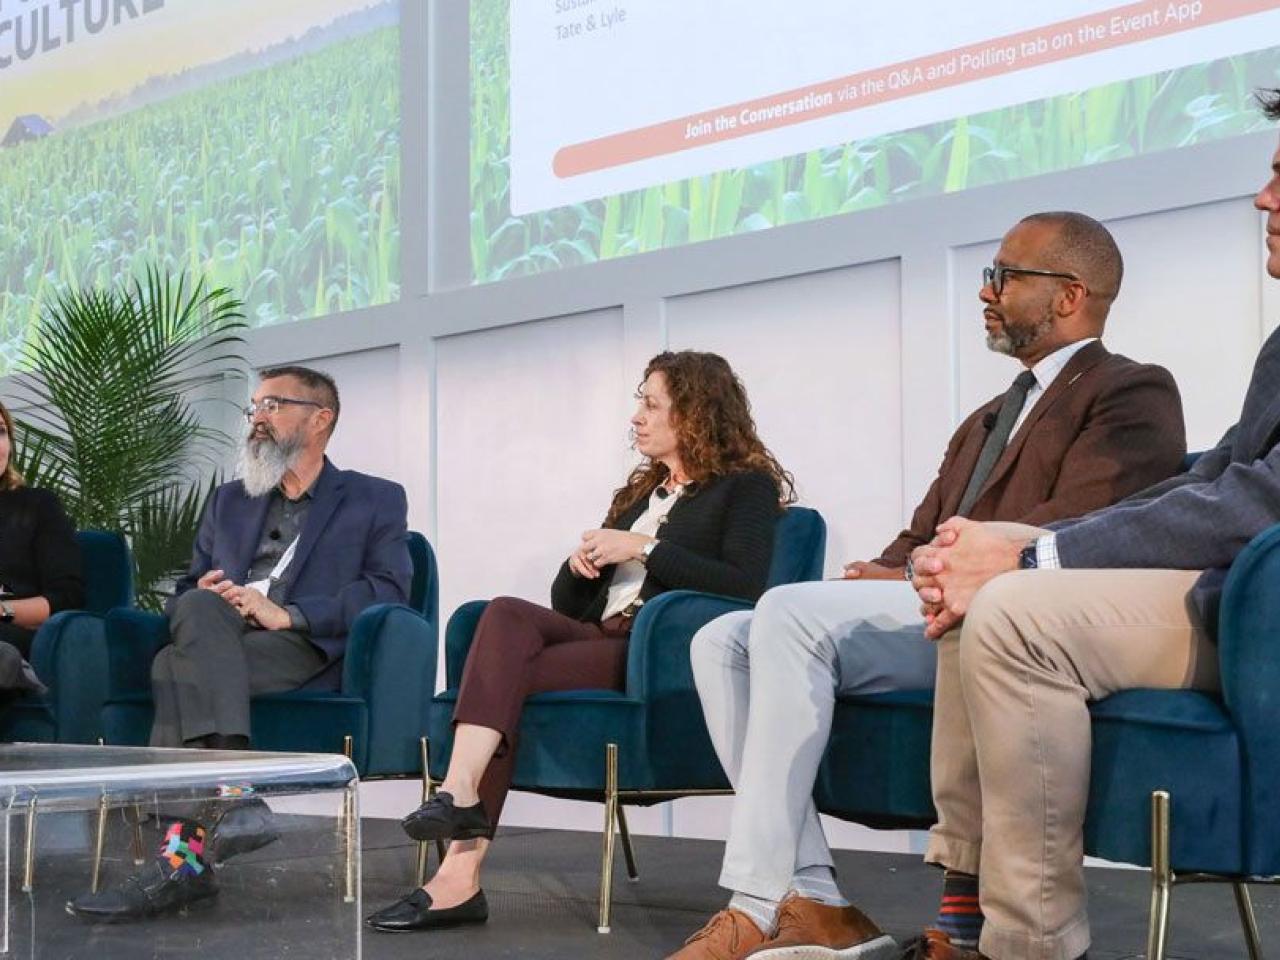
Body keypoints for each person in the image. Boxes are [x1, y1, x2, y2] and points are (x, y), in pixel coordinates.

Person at [671, 213, 1189, 959]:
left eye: (1004, 276)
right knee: (723, 638)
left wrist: (934, 564)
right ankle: (813, 893)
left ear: (1070, 294)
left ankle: (756, 899)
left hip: (1027, 611)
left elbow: (1092, 519)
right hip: (934, 606)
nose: (987, 292)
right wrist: (895, 565)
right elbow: (916, 536)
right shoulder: (987, 417)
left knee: (785, 609)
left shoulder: (1129, 390)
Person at [896, 89, 1280, 960]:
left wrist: (1036, 554)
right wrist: (1011, 551)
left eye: (1278, 177)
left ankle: (1026, 946)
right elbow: (1219, 475)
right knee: (979, 599)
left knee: (1012, 614)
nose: (1262, 200)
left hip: (1265, 622)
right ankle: (967, 914)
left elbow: (1259, 503)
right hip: (1242, 598)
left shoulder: (1126, 383)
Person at [366, 350, 795, 934]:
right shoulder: (641, 495)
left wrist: (641, 548)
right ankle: (460, 793)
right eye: (638, 402)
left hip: (653, 651)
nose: (637, 417)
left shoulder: (744, 488)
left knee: (500, 684)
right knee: (504, 615)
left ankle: (456, 876)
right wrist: (580, 566)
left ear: (696, 411)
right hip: (601, 633)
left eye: (651, 403)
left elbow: (745, 586)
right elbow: (570, 607)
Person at [68, 364, 412, 922]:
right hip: (222, 636)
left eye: (273, 405)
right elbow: (185, 591)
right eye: (254, 407)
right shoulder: (230, 499)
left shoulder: (374, 498)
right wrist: (200, 594)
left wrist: (290, 613)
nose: (257, 418)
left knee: (171, 667)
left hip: (300, 647)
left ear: (320, 419)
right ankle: (223, 813)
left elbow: (390, 590)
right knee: (198, 612)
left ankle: (190, 857)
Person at [0, 400, 84, 710]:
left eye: (0, 432)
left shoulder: (37, 506)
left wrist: (2, 610)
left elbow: (67, 597)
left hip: (11, 630)